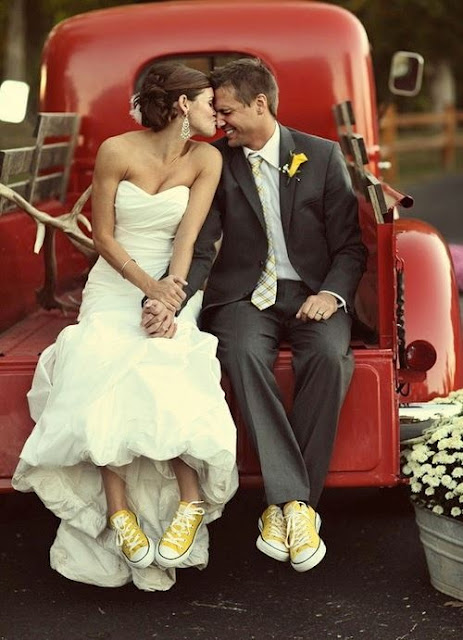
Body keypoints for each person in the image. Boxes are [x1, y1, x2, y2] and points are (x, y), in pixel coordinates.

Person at [12, 61, 238, 592]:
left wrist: (171, 296)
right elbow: (105, 238)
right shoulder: (116, 150)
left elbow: (188, 238)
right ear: (183, 104)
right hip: (116, 284)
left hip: (171, 285)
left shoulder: (206, 159)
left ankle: (189, 503)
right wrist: (146, 287)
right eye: (210, 103)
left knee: (167, 360)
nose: (219, 113)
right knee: (101, 364)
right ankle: (119, 514)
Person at [143, 58, 367, 573]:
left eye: (227, 111)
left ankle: (286, 506)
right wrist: (168, 295)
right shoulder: (218, 161)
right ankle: (297, 506)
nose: (220, 122)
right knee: (241, 351)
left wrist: (331, 294)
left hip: (313, 291)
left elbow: (350, 247)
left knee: (330, 357)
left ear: (260, 104)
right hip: (244, 296)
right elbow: (202, 244)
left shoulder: (321, 155)